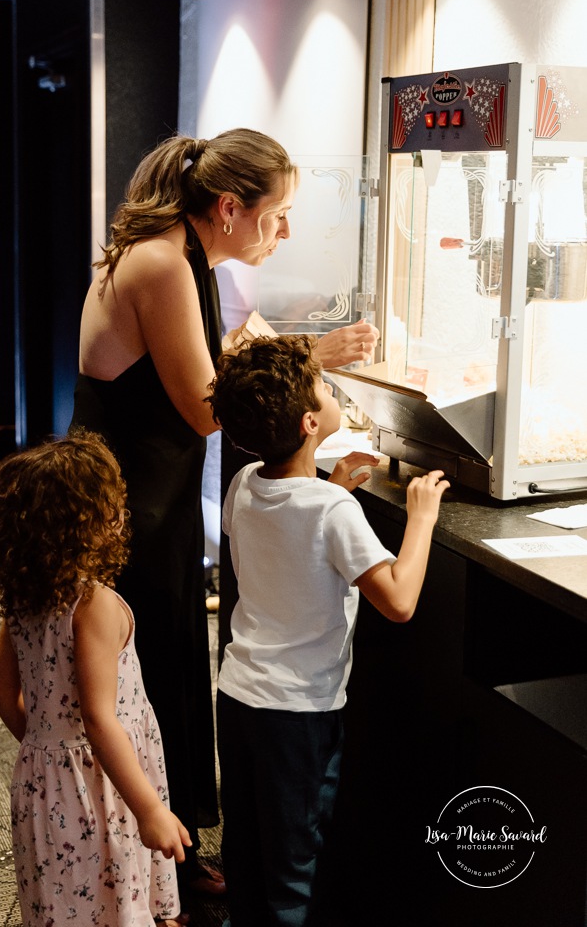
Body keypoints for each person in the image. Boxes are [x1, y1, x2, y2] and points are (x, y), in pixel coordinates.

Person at [68, 128, 380, 896]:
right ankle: (148, 862)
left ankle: (164, 855)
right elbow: (209, 408)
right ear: (230, 208)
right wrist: (311, 358)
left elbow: (202, 370)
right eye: (277, 218)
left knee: (165, 663)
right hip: (127, 502)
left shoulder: (182, 252)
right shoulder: (164, 263)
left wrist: (275, 350)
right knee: (139, 673)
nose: (284, 233)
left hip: (150, 491)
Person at [205, 334, 450, 927]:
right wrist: (420, 520)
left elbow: (284, 542)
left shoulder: (243, 485)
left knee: (248, 846)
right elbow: (397, 600)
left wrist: (330, 489)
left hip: (238, 699)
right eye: (323, 385)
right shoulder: (333, 512)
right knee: (294, 864)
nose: (331, 389)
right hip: (299, 715)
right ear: (312, 421)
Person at [0, 432, 191, 927]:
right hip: (103, 784)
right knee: (112, 901)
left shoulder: (23, 596)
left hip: (44, 782)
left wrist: (47, 749)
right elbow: (98, 716)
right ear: (92, 522)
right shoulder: (94, 605)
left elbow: (3, 695)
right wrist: (148, 809)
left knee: (66, 902)